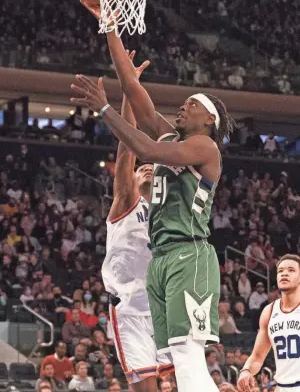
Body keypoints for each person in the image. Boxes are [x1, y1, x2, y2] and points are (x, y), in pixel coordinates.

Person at [71, 20, 234, 391]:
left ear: (209, 120)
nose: (183, 106)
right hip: (160, 261)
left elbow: (143, 149)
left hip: (188, 254)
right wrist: (109, 24)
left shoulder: (205, 148)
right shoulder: (172, 136)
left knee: (190, 359)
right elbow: (132, 89)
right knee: (179, 357)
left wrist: (104, 111)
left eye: (192, 105)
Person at [102, 52, 173, 391]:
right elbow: (126, 151)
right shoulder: (126, 203)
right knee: (145, 388)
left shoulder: (167, 212)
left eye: (152, 167)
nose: (147, 166)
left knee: (179, 382)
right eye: (140, 167)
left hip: (162, 308)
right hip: (129, 309)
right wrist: (130, 89)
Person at [237, 254, 300, 392]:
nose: (284, 274)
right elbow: (258, 356)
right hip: (282, 387)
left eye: (291, 270)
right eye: (280, 271)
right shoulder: (269, 311)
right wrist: (246, 371)